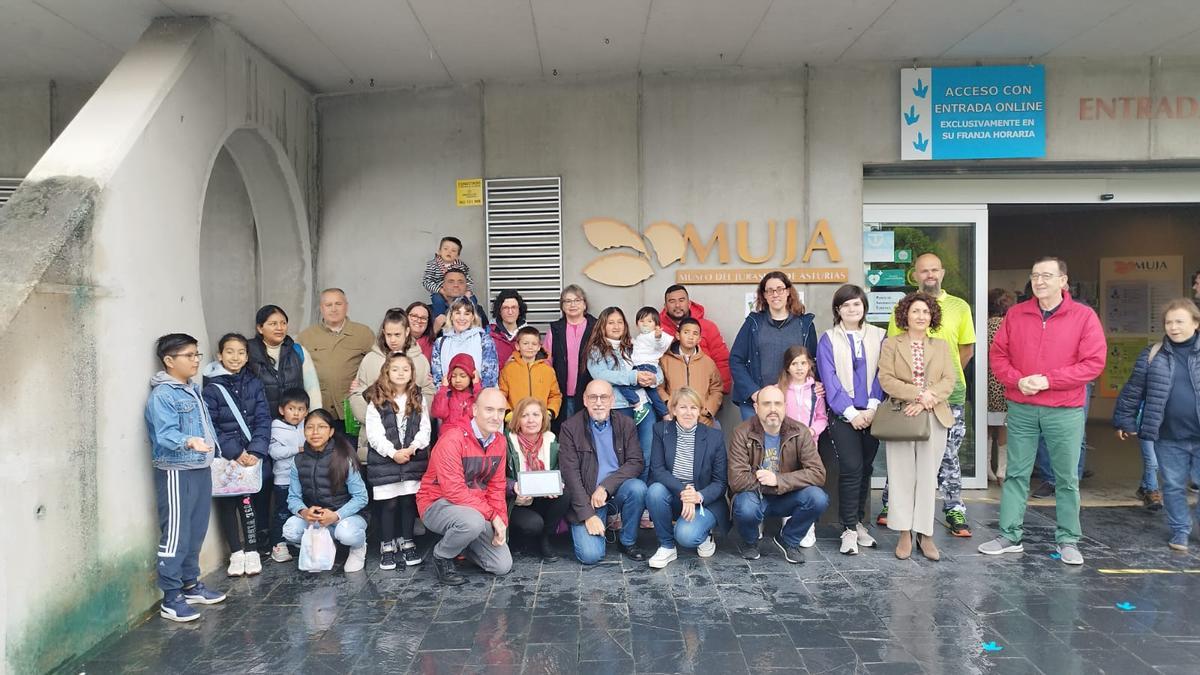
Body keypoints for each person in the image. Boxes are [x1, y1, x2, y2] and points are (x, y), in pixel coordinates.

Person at [981, 257, 1106, 566]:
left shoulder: (1084, 317)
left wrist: (1049, 380)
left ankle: (1068, 539)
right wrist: (1016, 380)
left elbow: (1093, 364)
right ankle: (1009, 536)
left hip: (1064, 409)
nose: (1039, 281)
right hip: (1022, 408)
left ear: (1064, 281)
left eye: (1047, 276)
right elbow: (998, 355)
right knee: (1016, 474)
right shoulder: (1016, 314)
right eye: (1035, 275)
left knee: (1066, 478)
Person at [879, 254, 975, 538]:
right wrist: (919, 395)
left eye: (934, 270)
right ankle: (892, 508)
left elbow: (965, 352)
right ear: (915, 275)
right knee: (902, 460)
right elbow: (895, 359)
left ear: (942, 273)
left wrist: (935, 391)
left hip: (948, 398)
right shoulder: (902, 308)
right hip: (907, 403)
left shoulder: (959, 306)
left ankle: (953, 508)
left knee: (946, 457)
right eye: (924, 271)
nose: (929, 275)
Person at [146, 333, 226, 622]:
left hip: (199, 469)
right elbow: (165, 434)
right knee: (176, 535)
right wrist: (190, 442)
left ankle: (191, 584)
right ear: (169, 360)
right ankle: (171, 596)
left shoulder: (191, 389)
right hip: (177, 471)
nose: (195, 361)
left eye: (196, 355)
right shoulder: (163, 395)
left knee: (196, 531)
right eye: (189, 356)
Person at [1113, 299, 1200, 550]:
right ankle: (1180, 531)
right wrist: (1124, 419)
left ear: (1195, 323)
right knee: (1173, 485)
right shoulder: (1152, 354)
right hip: (1168, 435)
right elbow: (1133, 390)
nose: (1173, 327)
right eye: (1169, 322)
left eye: (1180, 321)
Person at [878, 292, 957, 561]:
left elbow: (949, 379)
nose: (921, 316)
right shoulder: (891, 344)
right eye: (915, 311)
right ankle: (903, 533)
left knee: (926, 477)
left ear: (931, 316)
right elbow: (886, 379)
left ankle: (926, 534)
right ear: (905, 316)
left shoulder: (941, 345)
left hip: (933, 415)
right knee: (901, 476)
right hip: (902, 416)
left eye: (925, 312)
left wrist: (926, 400)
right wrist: (916, 394)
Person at [417, 388, 513, 586]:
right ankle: (442, 556)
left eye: (501, 411)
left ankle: (464, 544)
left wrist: (501, 522)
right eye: (489, 410)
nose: (496, 417)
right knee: (472, 522)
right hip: (437, 504)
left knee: (502, 565)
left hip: (476, 509)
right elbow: (454, 491)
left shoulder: (500, 442)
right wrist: (492, 516)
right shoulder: (453, 439)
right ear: (475, 409)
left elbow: (497, 486)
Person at [816, 284, 885, 556]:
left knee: (866, 468)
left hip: (872, 412)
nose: (852, 309)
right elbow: (829, 378)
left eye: (856, 304)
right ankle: (848, 529)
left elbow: (883, 372)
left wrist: (870, 408)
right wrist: (851, 413)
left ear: (864, 307)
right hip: (843, 415)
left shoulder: (880, 335)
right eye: (846, 305)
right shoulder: (829, 338)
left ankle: (858, 522)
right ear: (838, 310)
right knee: (851, 468)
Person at [728, 385, 829, 564]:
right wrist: (767, 483)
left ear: (785, 406)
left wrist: (778, 480)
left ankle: (788, 539)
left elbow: (818, 473)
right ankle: (751, 542)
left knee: (818, 498)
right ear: (756, 408)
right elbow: (736, 480)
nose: (773, 409)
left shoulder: (800, 432)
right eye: (766, 404)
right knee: (745, 507)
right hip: (755, 496)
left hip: (786, 495)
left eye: (778, 404)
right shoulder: (742, 432)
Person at [201, 333, 272, 577]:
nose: (235, 357)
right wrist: (235, 451)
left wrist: (255, 450)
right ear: (220, 355)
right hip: (226, 457)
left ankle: (251, 550)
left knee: (248, 500)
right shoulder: (210, 387)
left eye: (241, 352)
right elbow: (210, 425)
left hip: (251, 456)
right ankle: (235, 552)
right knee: (226, 502)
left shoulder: (254, 382)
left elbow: (263, 418)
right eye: (229, 352)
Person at [558, 380, 649, 564]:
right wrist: (588, 516)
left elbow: (636, 462)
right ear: (584, 400)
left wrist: (606, 487)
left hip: (616, 490)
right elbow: (571, 476)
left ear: (612, 400)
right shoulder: (570, 428)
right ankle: (591, 524)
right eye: (593, 397)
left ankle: (627, 541)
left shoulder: (626, 424)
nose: (598, 402)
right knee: (590, 556)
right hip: (588, 497)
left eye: (604, 397)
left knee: (637, 488)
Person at [645, 388, 728, 569]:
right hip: (677, 495)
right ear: (673, 410)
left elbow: (720, 483)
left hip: (704, 500)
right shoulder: (661, 430)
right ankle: (667, 546)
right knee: (655, 490)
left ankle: (705, 533)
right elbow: (658, 470)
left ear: (699, 410)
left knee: (687, 537)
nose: (688, 413)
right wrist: (684, 491)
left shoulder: (714, 437)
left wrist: (697, 496)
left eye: (693, 407)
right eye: (683, 407)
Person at [364, 352, 432, 569]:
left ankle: (407, 541)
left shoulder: (418, 397)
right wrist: (393, 453)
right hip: (386, 462)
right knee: (389, 504)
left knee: (407, 502)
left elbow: (425, 428)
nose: (401, 373)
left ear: (412, 372)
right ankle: (387, 544)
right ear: (386, 372)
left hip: (412, 460)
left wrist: (413, 448)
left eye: (406, 369)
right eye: (395, 369)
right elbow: (373, 434)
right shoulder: (377, 399)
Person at [282, 409, 369, 573]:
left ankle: (358, 548)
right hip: (318, 518)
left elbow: (361, 498)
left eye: (321, 427)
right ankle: (326, 544)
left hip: (347, 517)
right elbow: (293, 498)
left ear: (331, 432)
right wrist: (304, 511)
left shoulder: (343, 458)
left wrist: (336, 515)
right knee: (290, 530)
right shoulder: (298, 460)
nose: (315, 432)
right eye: (309, 427)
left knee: (346, 534)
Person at [586, 306, 660, 484]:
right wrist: (633, 377)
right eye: (611, 322)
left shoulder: (635, 346)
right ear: (602, 326)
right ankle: (623, 495)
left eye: (620, 322)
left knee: (647, 452)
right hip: (618, 408)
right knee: (623, 455)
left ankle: (641, 495)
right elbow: (601, 374)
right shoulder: (596, 350)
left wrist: (653, 379)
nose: (616, 326)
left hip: (644, 406)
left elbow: (655, 367)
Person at [731, 271, 818, 421]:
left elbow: (813, 361)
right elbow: (736, 359)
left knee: (791, 444)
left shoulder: (804, 324)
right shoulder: (753, 323)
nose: (775, 294)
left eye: (780, 289)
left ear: (788, 291)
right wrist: (754, 392)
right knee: (757, 444)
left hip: (794, 400)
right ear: (764, 295)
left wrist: (816, 384)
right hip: (758, 401)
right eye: (769, 290)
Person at [297, 289, 375, 437]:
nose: (334, 308)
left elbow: (378, 366)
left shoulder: (363, 333)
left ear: (346, 306)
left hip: (352, 409)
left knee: (351, 455)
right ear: (321, 308)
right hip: (320, 410)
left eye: (338, 303)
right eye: (329, 304)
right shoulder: (306, 336)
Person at [350, 309, 435, 440]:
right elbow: (357, 395)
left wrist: (412, 420)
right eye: (389, 335)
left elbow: (429, 394)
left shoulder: (420, 361)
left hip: (411, 437)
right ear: (383, 333)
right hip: (375, 436)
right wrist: (376, 420)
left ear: (407, 332)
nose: (393, 340)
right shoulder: (370, 359)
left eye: (397, 334)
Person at [505, 397, 570, 562]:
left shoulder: (551, 440)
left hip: (543, 498)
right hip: (517, 501)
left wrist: (556, 483)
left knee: (565, 494)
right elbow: (497, 478)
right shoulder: (506, 442)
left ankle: (545, 538)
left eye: (536, 414)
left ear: (543, 418)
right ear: (517, 419)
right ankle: (519, 538)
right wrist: (514, 488)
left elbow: (560, 469)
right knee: (533, 524)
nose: (531, 420)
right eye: (525, 415)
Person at [247, 304, 322, 414]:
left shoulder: (298, 351)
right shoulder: (247, 351)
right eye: (273, 324)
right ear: (260, 328)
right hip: (260, 422)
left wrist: (315, 417)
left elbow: (312, 389)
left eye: (283, 323)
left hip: (293, 423)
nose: (280, 328)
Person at [660, 284, 732, 394]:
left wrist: (719, 393)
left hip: (704, 398)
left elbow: (721, 359)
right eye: (672, 301)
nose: (677, 305)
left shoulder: (708, 327)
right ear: (665, 306)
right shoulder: (658, 330)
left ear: (689, 303)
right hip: (670, 401)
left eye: (681, 300)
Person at [546, 285, 597, 431]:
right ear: (562, 306)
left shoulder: (596, 326)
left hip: (589, 392)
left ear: (584, 304)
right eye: (567, 301)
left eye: (577, 300)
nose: (572, 305)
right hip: (561, 393)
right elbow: (546, 361)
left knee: (587, 434)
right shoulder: (555, 329)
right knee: (564, 433)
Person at [657, 317, 723, 427]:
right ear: (678, 335)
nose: (691, 337)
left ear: (700, 339)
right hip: (674, 418)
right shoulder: (665, 360)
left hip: (701, 420)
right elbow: (659, 387)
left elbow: (717, 388)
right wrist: (669, 403)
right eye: (686, 332)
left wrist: (707, 410)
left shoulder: (708, 362)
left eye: (695, 333)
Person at [268, 389, 308, 563]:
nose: (296, 413)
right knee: (282, 512)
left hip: (304, 479)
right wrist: (298, 449)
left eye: (301, 409)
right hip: (283, 479)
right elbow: (274, 452)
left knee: (301, 510)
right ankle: (279, 544)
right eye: (292, 408)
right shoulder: (275, 428)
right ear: (282, 410)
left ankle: (297, 539)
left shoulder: (306, 426)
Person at [616, 306, 672, 418]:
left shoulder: (654, 335)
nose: (645, 324)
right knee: (653, 394)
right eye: (642, 321)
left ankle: (638, 405)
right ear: (637, 324)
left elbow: (660, 345)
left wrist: (658, 337)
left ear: (656, 325)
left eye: (649, 321)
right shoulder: (641, 337)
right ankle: (665, 415)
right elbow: (638, 347)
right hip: (646, 368)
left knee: (623, 385)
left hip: (644, 367)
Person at [431, 297, 499, 389]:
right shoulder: (440, 343)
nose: (462, 318)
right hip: (450, 399)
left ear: (472, 317)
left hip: (478, 397)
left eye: (467, 314)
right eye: (457, 313)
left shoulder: (484, 339)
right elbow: (437, 380)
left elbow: (490, 378)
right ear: (451, 316)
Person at [499, 326, 563, 419]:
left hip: (540, 421)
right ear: (517, 346)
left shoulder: (548, 370)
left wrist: (550, 412)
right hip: (515, 420)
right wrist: (508, 413)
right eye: (525, 343)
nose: (530, 347)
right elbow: (501, 394)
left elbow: (555, 395)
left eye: (534, 344)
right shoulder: (508, 369)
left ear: (539, 347)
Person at [986, 288, 1016, 484]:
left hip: (985, 381)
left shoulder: (983, 325)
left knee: (986, 426)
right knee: (1004, 425)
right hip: (1004, 381)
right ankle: (1003, 470)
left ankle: (985, 468)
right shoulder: (1010, 326)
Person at [423, 236, 474, 318]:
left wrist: (467, 291)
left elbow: (469, 281)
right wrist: (440, 290)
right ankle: (442, 321)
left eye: (453, 251)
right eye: (446, 249)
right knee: (438, 300)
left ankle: (472, 322)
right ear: (439, 251)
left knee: (472, 300)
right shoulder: (432, 265)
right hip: (440, 293)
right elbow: (426, 281)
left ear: (457, 256)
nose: (449, 252)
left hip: (458, 293)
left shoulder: (461, 266)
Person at [431, 353, 482, 428]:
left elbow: (481, 411)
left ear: (471, 376)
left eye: (463, 376)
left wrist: (476, 385)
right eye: (453, 376)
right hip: (449, 435)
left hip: (470, 436)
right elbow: (439, 413)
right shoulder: (447, 395)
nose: (457, 380)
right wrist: (443, 388)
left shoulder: (475, 395)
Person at [431, 270, 489, 335]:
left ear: (466, 287)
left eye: (460, 282)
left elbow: (487, 336)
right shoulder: (430, 311)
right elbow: (421, 343)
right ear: (443, 286)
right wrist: (435, 329)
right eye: (451, 282)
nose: (456, 285)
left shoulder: (477, 309)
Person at [490, 289, 529, 367]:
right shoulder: (489, 335)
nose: (510, 312)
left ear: (519, 310)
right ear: (499, 310)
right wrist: (505, 366)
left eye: (514, 307)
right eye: (505, 308)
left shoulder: (529, 334)